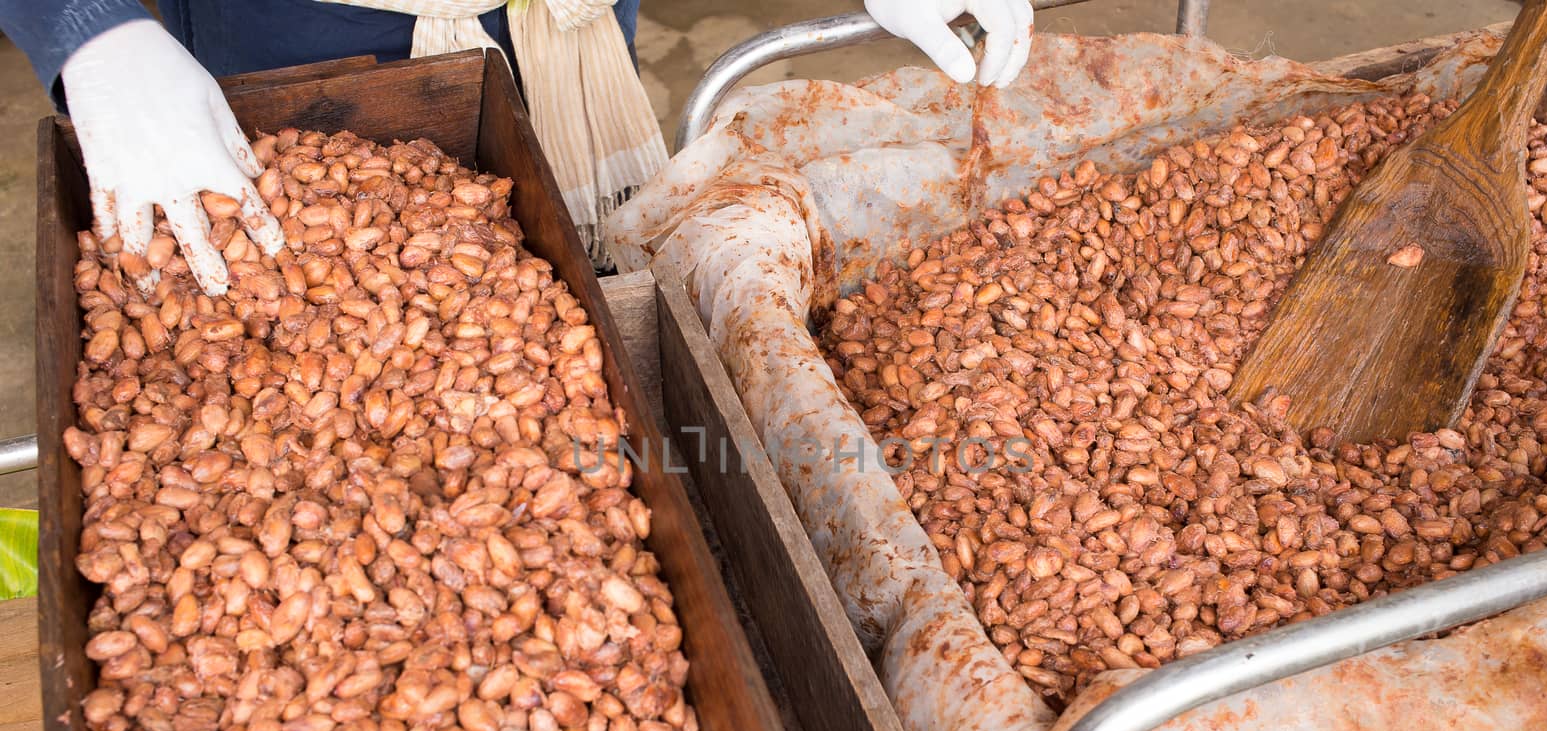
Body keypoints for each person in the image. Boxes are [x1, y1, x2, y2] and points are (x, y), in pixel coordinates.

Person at [0, 0, 1033, 295]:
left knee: (577, 277)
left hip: (570, 30)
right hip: (292, 39)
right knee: (283, 294)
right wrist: (88, 30)